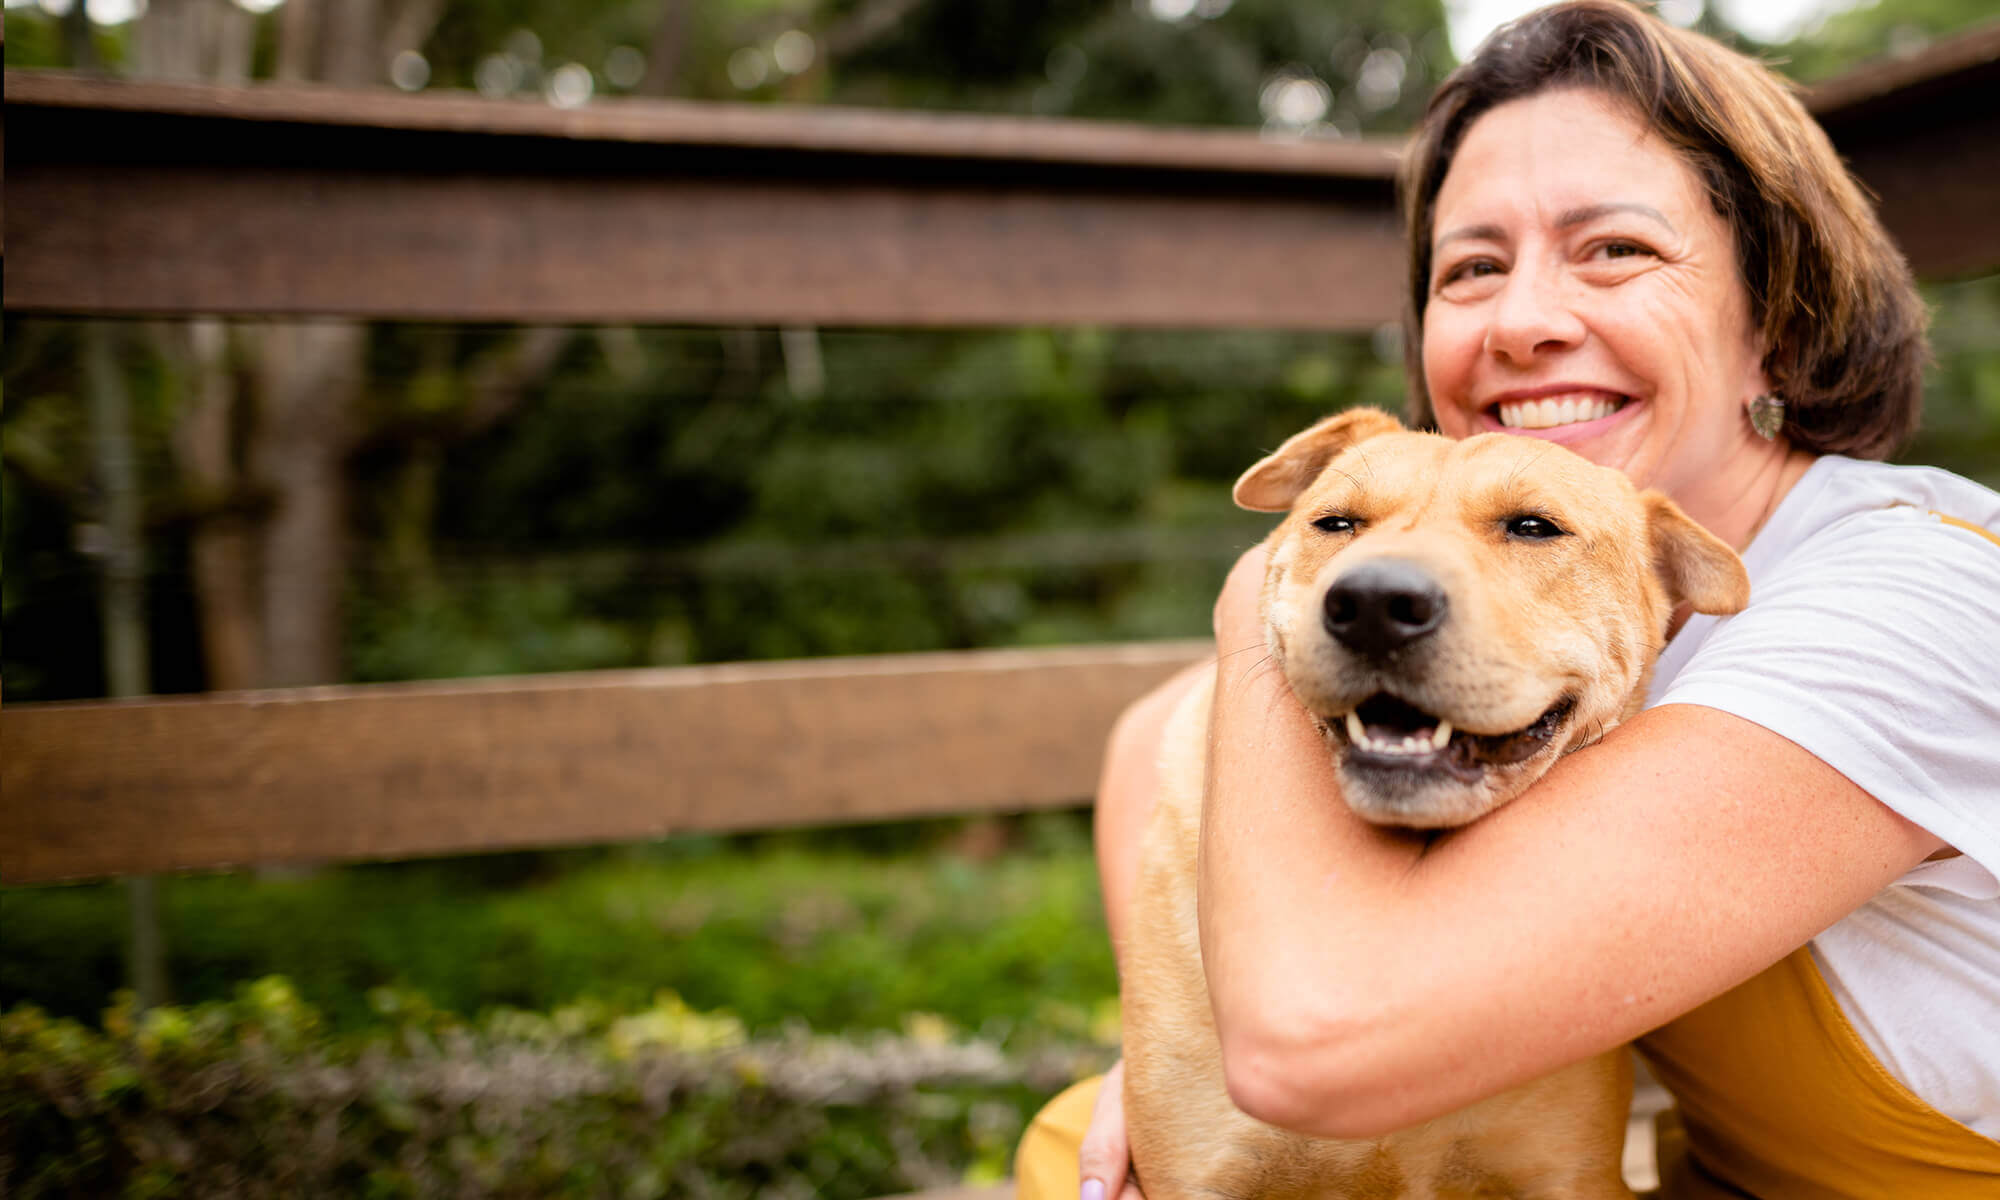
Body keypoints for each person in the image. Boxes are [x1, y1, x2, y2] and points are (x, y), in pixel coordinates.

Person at [1012, 2, 2000, 1197]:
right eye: (1471, 268)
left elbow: (1315, 1047)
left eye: (1614, 252)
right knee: (1085, 1142)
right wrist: (1175, 1031)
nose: (1523, 323)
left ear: (1776, 323)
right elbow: (1150, 740)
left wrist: (1264, 579)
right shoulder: (1560, 614)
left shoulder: (1909, 603)